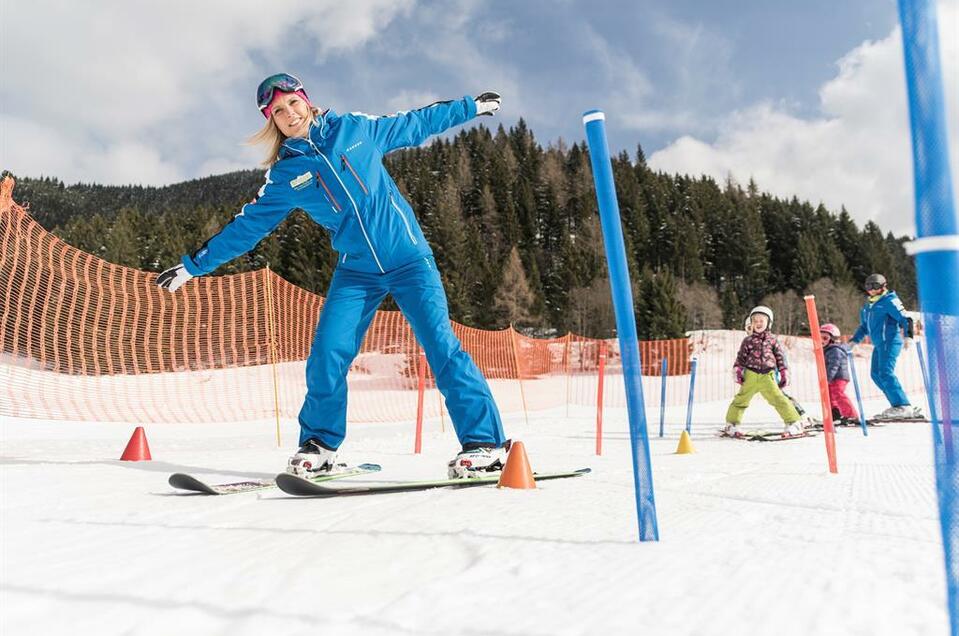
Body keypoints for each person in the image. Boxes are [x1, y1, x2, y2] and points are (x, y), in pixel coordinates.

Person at [156, 73, 509, 478]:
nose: (290, 114)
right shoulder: (287, 174)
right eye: (279, 111)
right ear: (271, 120)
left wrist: (470, 107)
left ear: (306, 100)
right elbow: (246, 228)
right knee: (327, 354)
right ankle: (320, 445)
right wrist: (193, 266)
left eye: (293, 103)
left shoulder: (355, 129)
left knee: (442, 348)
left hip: (410, 259)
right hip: (357, 271)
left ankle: (485, 444)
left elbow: (415, 122)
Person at [723, 306, 804, 438]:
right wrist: (737, 369)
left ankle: (794, 422)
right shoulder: (747, 341)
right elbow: (741, 357)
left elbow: (780, 357)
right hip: (751, 375)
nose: (758, 324)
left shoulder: (772, 340)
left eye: (762, 321)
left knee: (779, 399)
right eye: (755, 321)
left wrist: (784, 371)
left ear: (768, 323)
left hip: (768, 375)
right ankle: (732, 424)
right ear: (751, 323)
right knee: (741, 400)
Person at [848, 273, 921, 420]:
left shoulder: (890, 300)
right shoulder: (868, 306)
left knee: (886, 373)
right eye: (868, 286)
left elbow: (905, 318)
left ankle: (903, 405)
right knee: (875, 374)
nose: (871, 290)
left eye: (875, 286)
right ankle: (897, 405)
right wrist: (854, 341)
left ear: (883, 286)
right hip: (879, 344)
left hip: (890, 341)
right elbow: (864, 327)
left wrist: (908, 335)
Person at [820, 323, 860, 426]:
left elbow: (834, 365)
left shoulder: (835, 350)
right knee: (829, 394)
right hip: (832, 377)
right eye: (819, 338)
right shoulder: (827, 350)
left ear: (833, 339)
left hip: (839, 377)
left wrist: (827, 378)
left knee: (837, 393)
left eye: (825, 338)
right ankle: (835, 413)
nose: (822, 341)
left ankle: (851, 414)